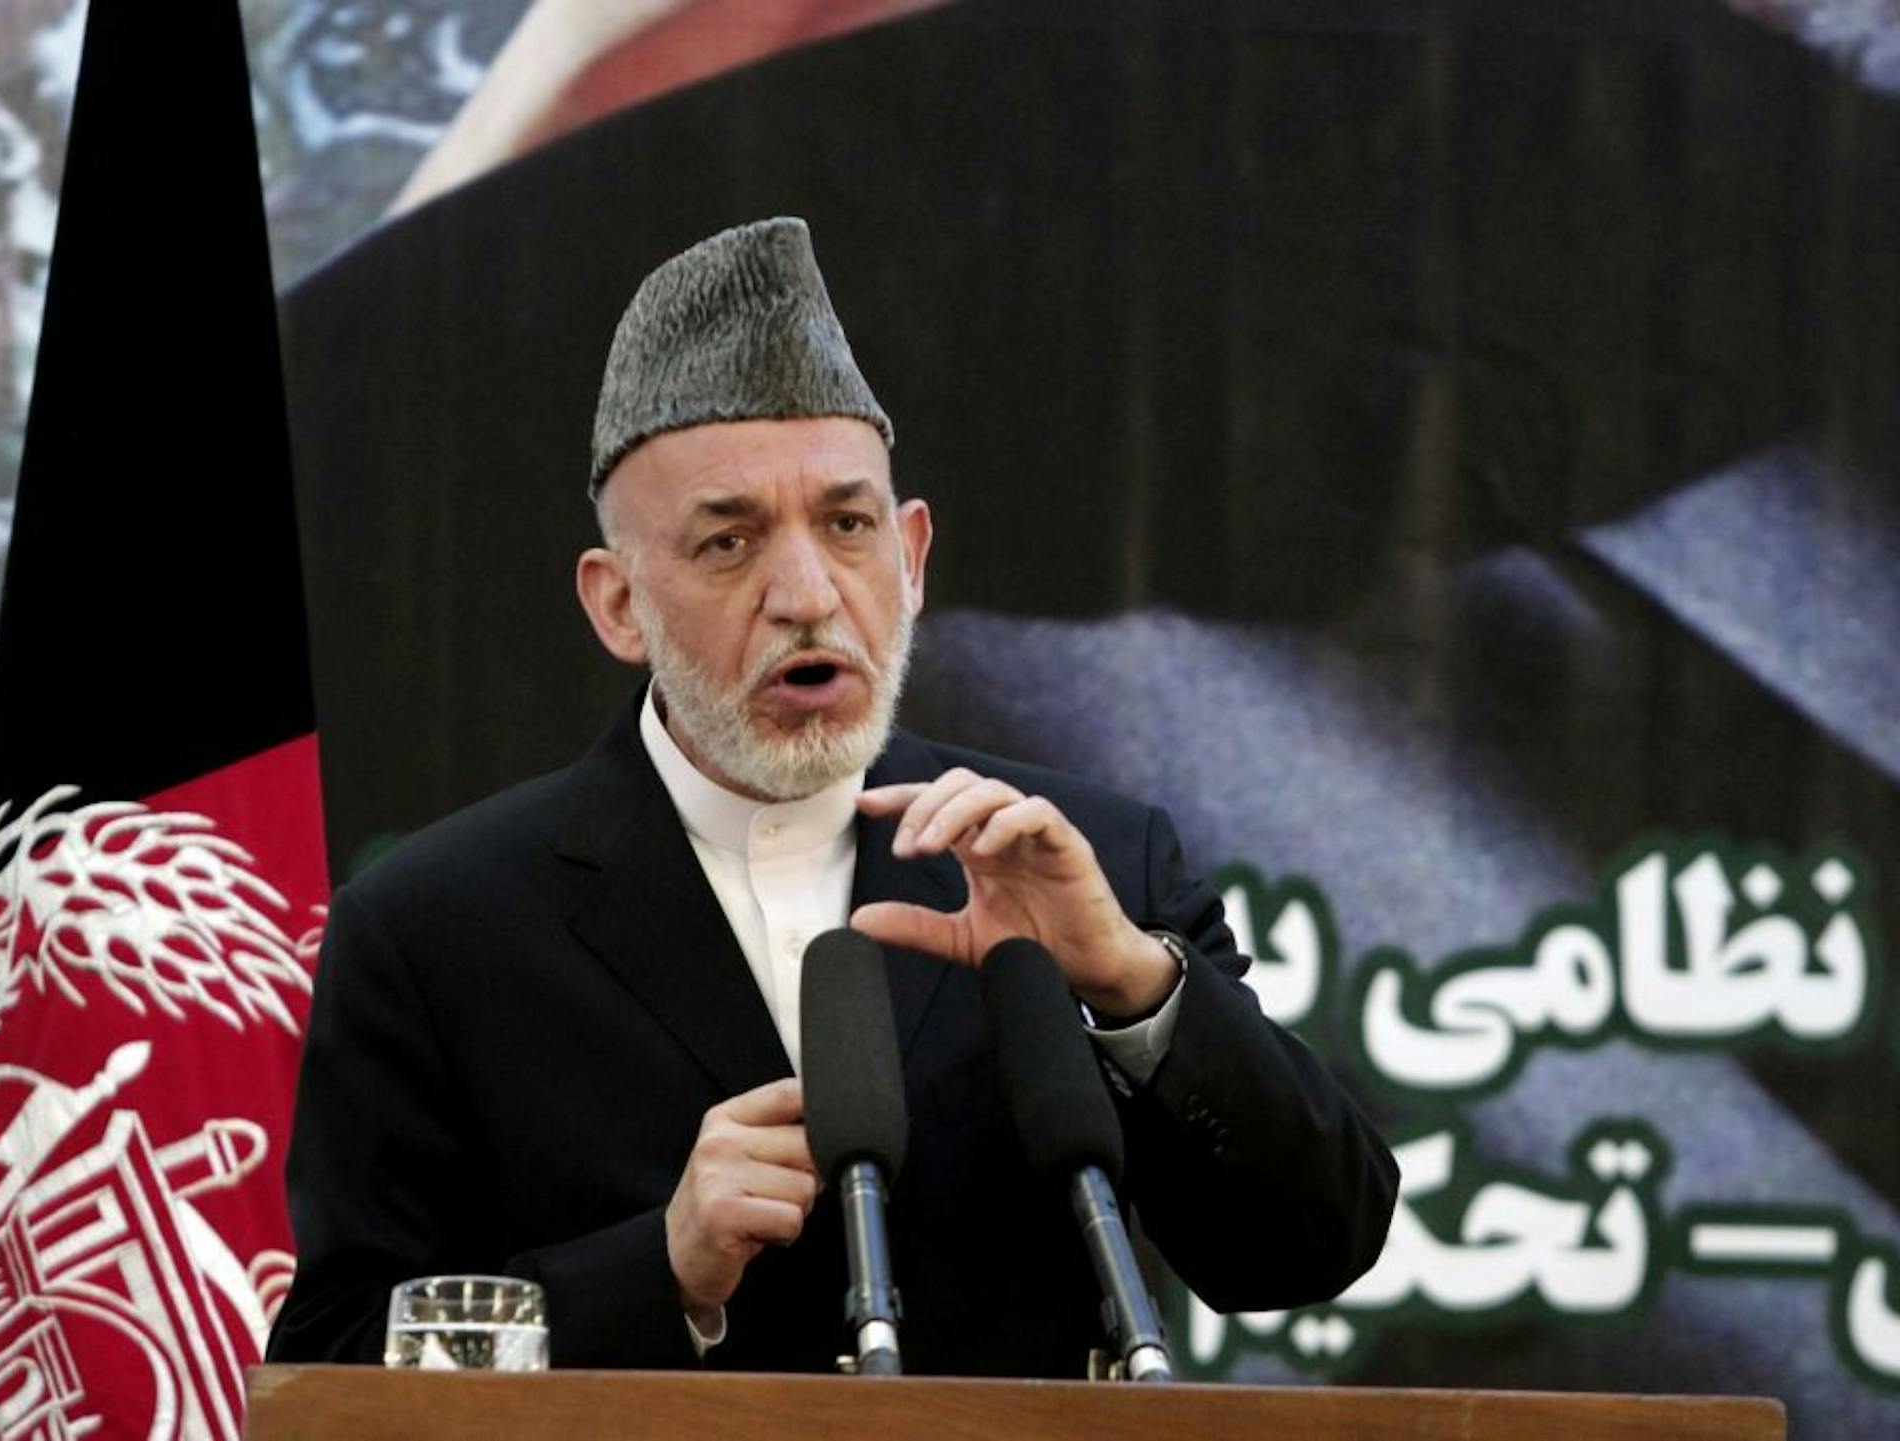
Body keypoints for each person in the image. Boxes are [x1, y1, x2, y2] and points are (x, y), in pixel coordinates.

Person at [267, 217, 1397, 1376]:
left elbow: (1313, 1246)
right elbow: (341, 1358)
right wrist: (658, 1271)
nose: (806, 594)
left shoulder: (1093, 861)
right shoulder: (438, 927)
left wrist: (1130, 983)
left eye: (846, 525)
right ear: (617, 605)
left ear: (909, 558)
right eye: (729, 543)